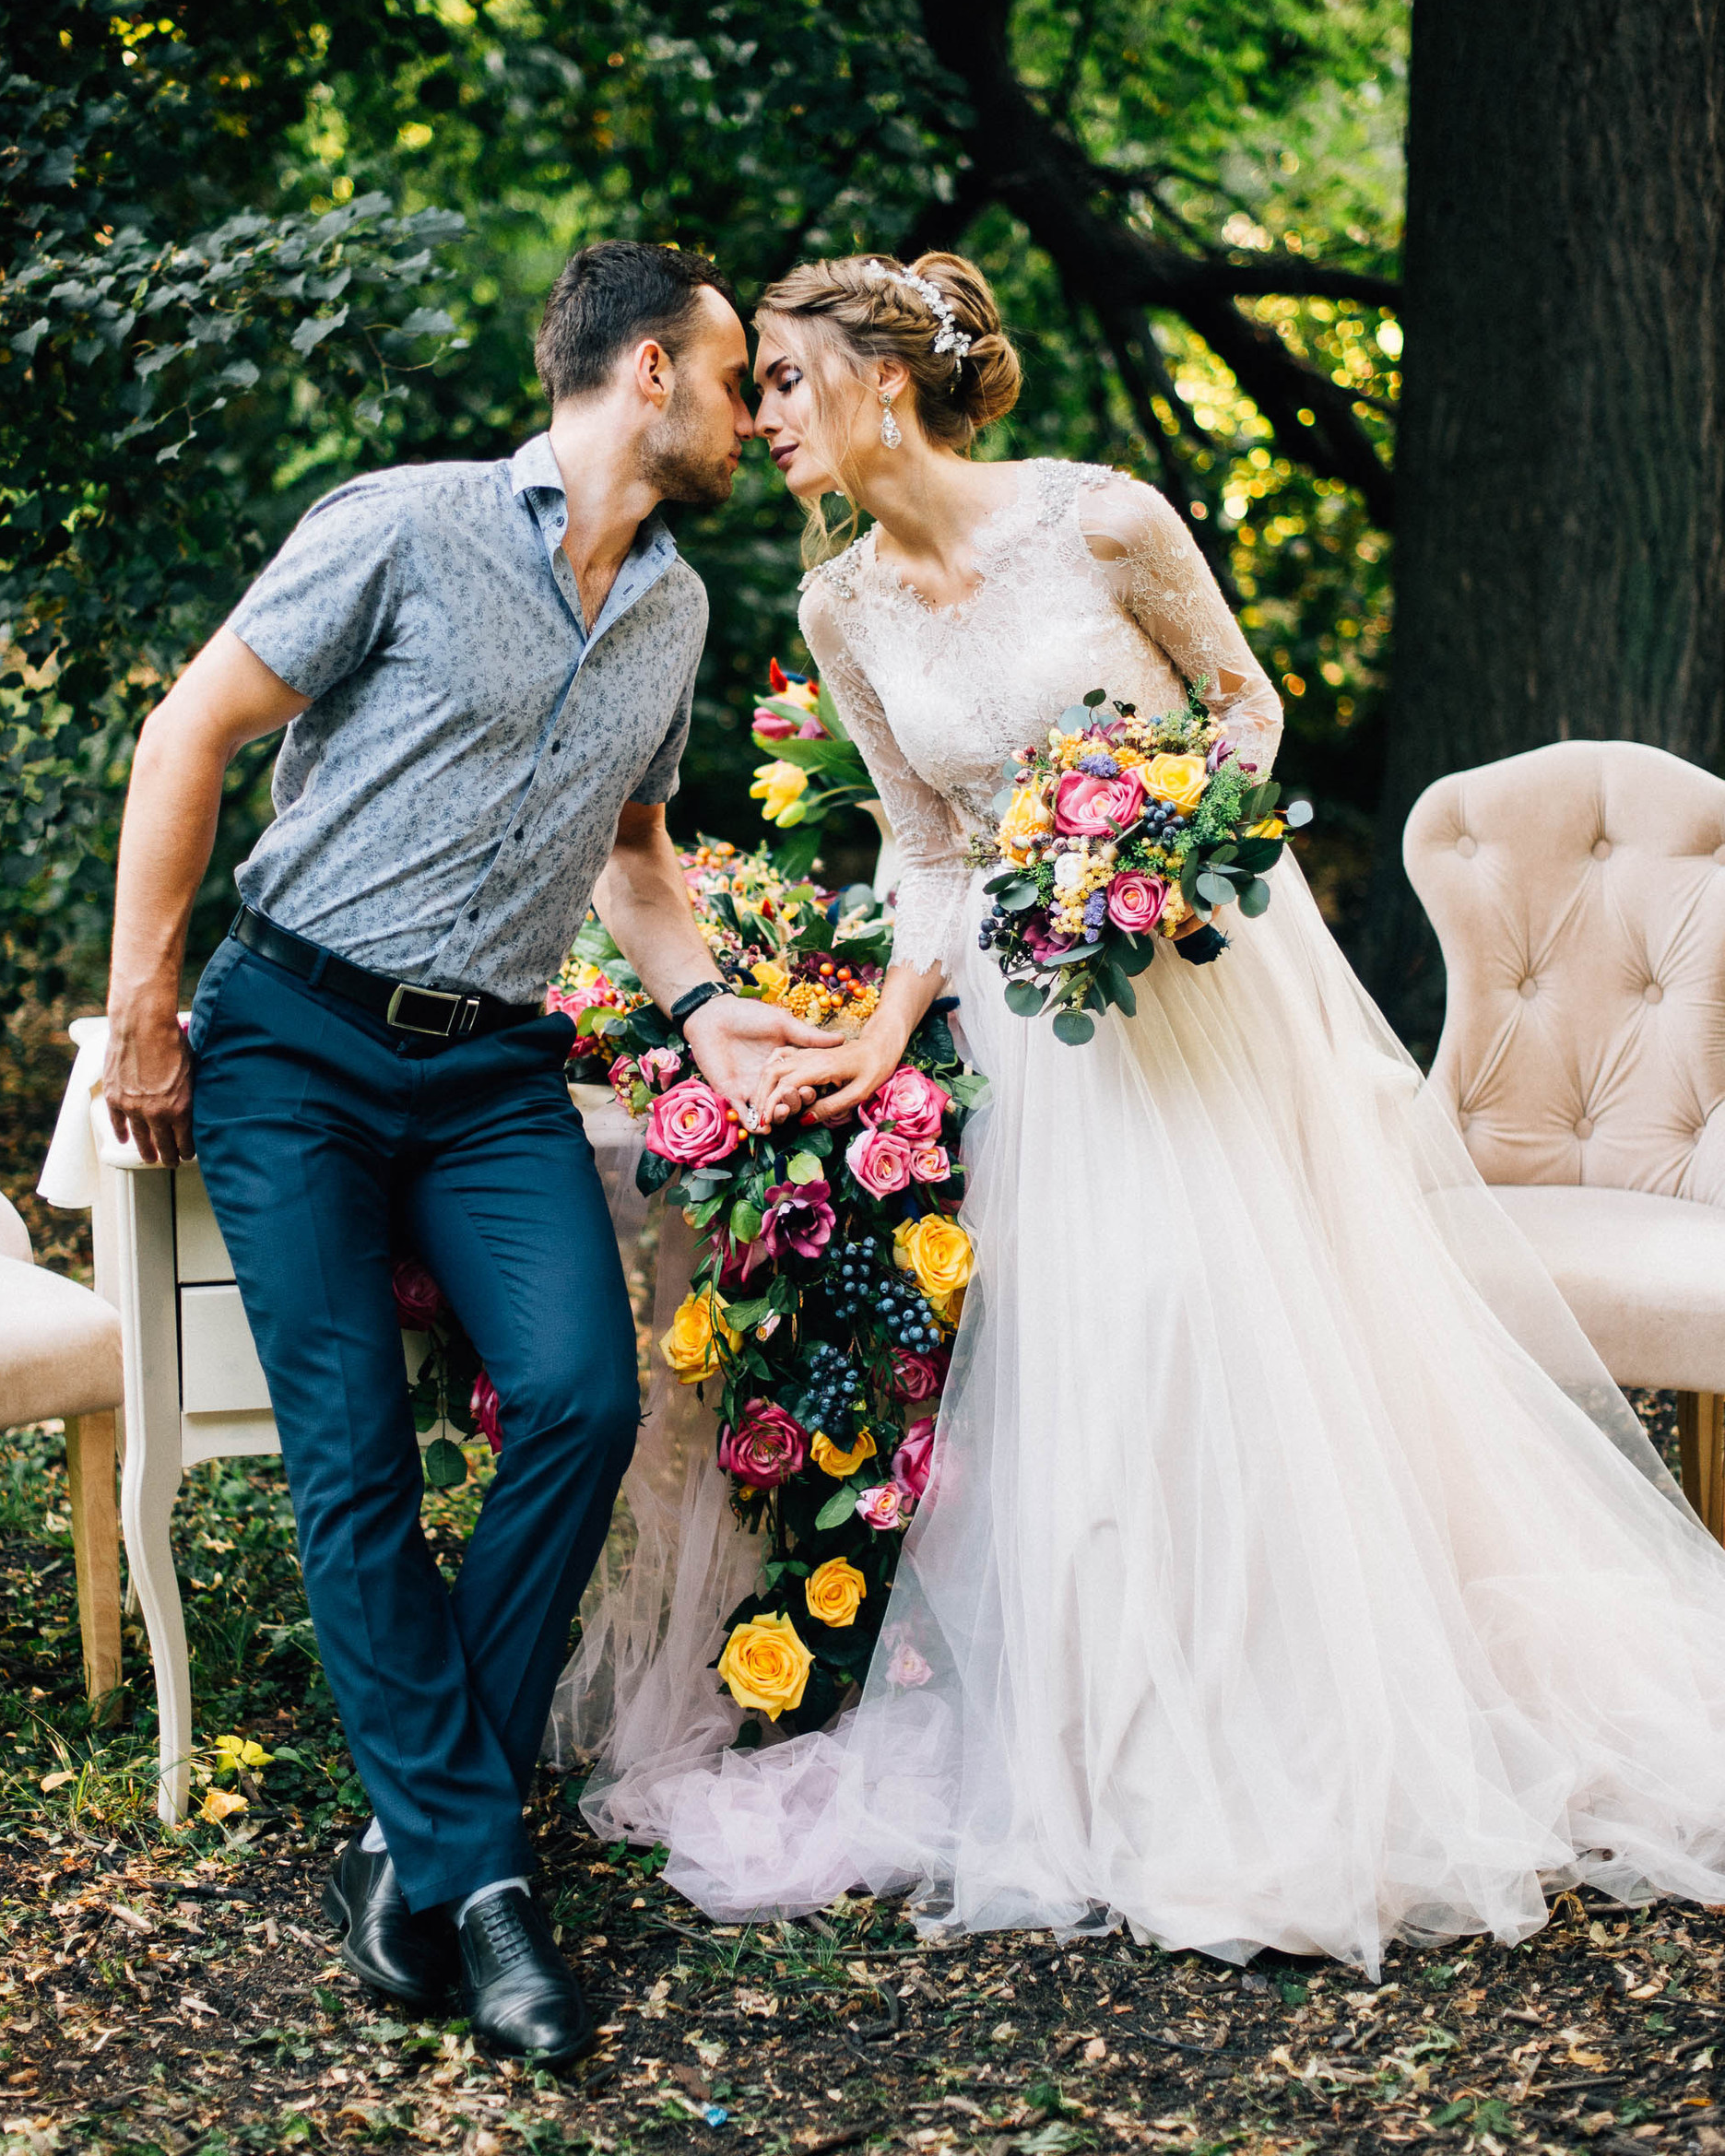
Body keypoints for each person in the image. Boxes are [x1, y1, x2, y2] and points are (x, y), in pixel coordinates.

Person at [566, 249, 1725, 1974]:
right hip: (1025, 1028)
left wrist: (1153, 852)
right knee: (1086, 1353)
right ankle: (1125, 1742)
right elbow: (925, 845)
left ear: (884, 378)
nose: (765, 418)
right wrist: (885, 1030)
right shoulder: (841, 608)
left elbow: (1246, 707)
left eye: (787, 380)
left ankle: (1318, 1704)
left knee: (1225, 1317)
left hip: (1192, 987)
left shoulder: (1106, 522)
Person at [100, 241, 835, 2064]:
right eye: (732, 376)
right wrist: (145, 1000)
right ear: (648, 372)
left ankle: (415, 1841)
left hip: (492, 1065)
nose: (751, 414)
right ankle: (485, 1886)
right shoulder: (404, 526)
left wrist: (704, 1010)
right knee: (351, 1451)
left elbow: (637, 857)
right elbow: (188, 728)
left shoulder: (671, 608)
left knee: (581, 1397)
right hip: (295, 1038)